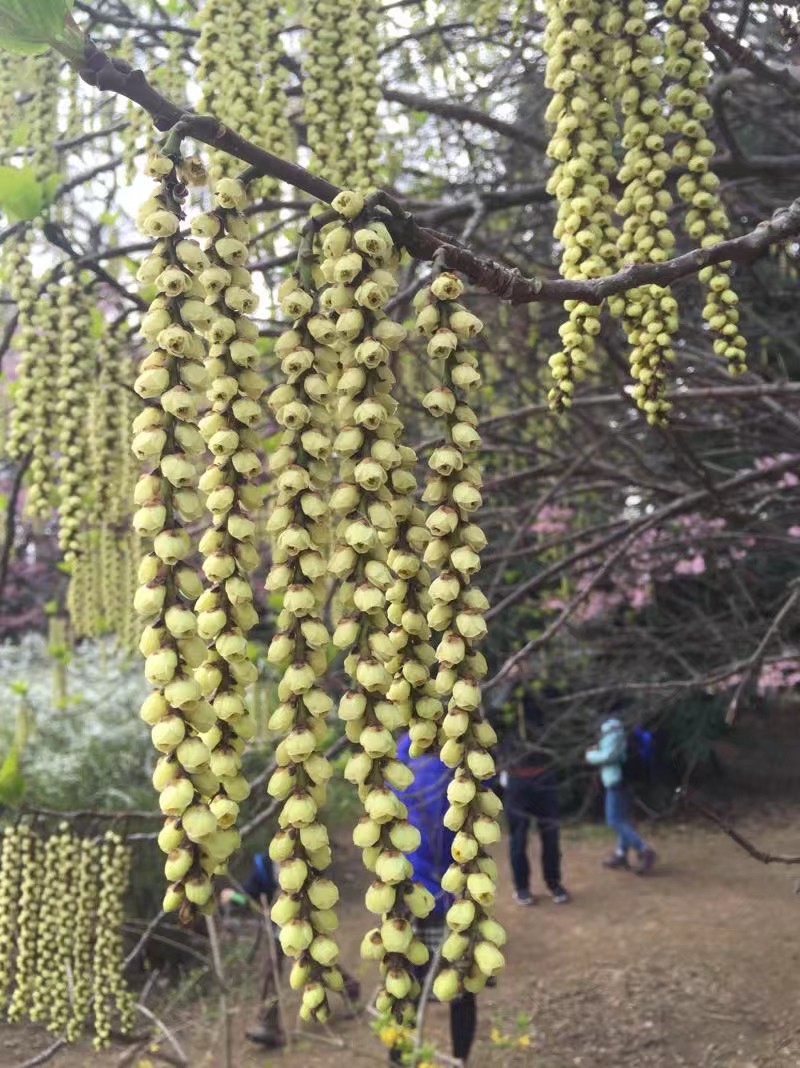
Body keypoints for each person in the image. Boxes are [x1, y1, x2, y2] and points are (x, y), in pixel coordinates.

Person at [389, 732, 478, 1066]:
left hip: (408, 893)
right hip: (454, 895)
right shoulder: (457, 768)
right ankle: (460, 1058)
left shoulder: (395, 763)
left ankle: (399, 1058)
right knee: (462, 987)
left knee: (404, 983)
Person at [220, 849, 360, 1048]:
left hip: (306, 922)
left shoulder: (308, 860)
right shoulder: (265, 866)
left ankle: (350, 988)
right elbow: (249, 896)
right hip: (279, 926)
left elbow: (321, 888)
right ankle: (268, 1025)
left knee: (316, 962)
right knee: (270, 968)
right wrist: (233, 896)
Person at [489, 673, 570, 905]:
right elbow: (493, 715)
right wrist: (510, 682)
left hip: (544, 776)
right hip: (517, 780)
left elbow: (557, 703)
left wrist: (529, 681)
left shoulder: (540, 695)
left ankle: (554, 883)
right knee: (518, 839)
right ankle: (522, 887)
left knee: (551, 835)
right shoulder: (504, 706)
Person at [585, 716, 657, 874]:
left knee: (614, 820)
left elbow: (610, 756)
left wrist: (590, 756)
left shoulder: (612, 729)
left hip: (617, 780)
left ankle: (644, 850)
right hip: (624, 779)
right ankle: (621, 854)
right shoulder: (620, 727)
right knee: (623, 819)